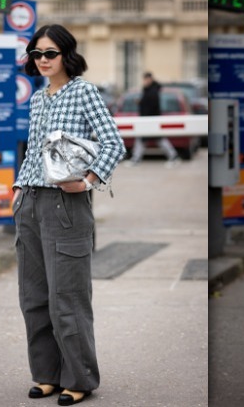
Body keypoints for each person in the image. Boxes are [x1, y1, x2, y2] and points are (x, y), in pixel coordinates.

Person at [12, 24, 125, 406]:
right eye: (36, 54)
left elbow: (113, 143)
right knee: (34, 296)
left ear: (66, 55)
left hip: (65, 205)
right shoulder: (39, 98)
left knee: (68, 296)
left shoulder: (84, 92)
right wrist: (17, 190)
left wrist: (90, 179)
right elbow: (32, 152)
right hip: (29, 203)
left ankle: (79, 378)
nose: (42, 60)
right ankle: (46, 375)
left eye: (49, 53)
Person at [127, 72, 180, 167]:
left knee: (154, 139)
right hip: (148, 119)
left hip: (150, 119)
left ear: (150, 79)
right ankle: (136, 158)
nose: (144, 82)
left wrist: (142, 104)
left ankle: (173, 156)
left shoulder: (152, 91)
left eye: (146, 79)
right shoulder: (150, 90)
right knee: (144, 139)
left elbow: (151, 105)